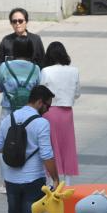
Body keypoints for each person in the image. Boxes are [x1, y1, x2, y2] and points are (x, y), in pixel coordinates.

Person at [0, 85, 59, 213]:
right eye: (47, 106)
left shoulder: (9, 119)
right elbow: (46, 154)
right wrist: (55, 178)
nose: (47, 110)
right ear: (39, 102)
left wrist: (14, 148)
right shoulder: (41, 124)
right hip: (33, 179)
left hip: (11, 179)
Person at [39, 42, 81, 184]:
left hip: (49, 111)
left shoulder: (46, 71)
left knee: (50, 145)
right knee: (68, 146)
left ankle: (51, 181)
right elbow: (77, 93)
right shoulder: (74, 71)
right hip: (67, 112)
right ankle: (67, 182)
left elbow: (41, 91)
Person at [0, 8, 44, 88]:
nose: (17, 24)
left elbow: (42, 61)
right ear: (11, 23)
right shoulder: (6, 40)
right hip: (11, 84)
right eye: (14, 21)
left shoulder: (35, 40)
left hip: (30, 83)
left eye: (20, 21)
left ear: (26, 21)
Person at [0, 37, 42, 122]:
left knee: (6, 130)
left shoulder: (5, 66)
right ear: (31, 50)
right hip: (29, 112)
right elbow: (38, 90)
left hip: (8, 111)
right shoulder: (35, 69)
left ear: (14, 49)